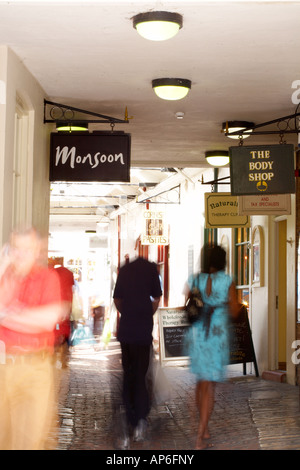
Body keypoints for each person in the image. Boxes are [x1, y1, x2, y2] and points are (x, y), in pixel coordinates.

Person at [0, 227, 63, 450]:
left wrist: (6, 313)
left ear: (37, 251)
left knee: (29, 441)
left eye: (28, 249)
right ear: (9, 249)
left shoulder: (48, 278)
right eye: (16, 248)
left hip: (34, 368)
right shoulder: (3, 276)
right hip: (2, 367)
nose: (21, 255)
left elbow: (46, 320)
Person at [183, 244, 240, 450]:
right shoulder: (227, 281)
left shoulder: (194, 279)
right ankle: (200, 435)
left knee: (201, 383)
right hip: (216, 336)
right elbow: (234, 311)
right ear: (223, 260)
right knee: (210, 387)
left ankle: (203, 427)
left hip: (197, 335)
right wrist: (223, 305)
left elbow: (186, 305)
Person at [113, 256, 162, 448]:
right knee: (142, 375)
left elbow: (117, 299)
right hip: (142, 333)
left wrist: (127, 313)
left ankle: (129, 418)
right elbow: (157, 297)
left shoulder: (124, 270)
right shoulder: (151, 270)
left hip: (126, 331)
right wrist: (146, 312)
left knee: (129, 374)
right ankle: (140, 420)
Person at [53, 265, 74, 367]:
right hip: (65, 304)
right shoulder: (69, 274)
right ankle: (64, 358)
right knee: (65, 331)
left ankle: (53, 356)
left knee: (55, 331)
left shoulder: (53, 273)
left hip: (55, 305)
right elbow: (71, 291)